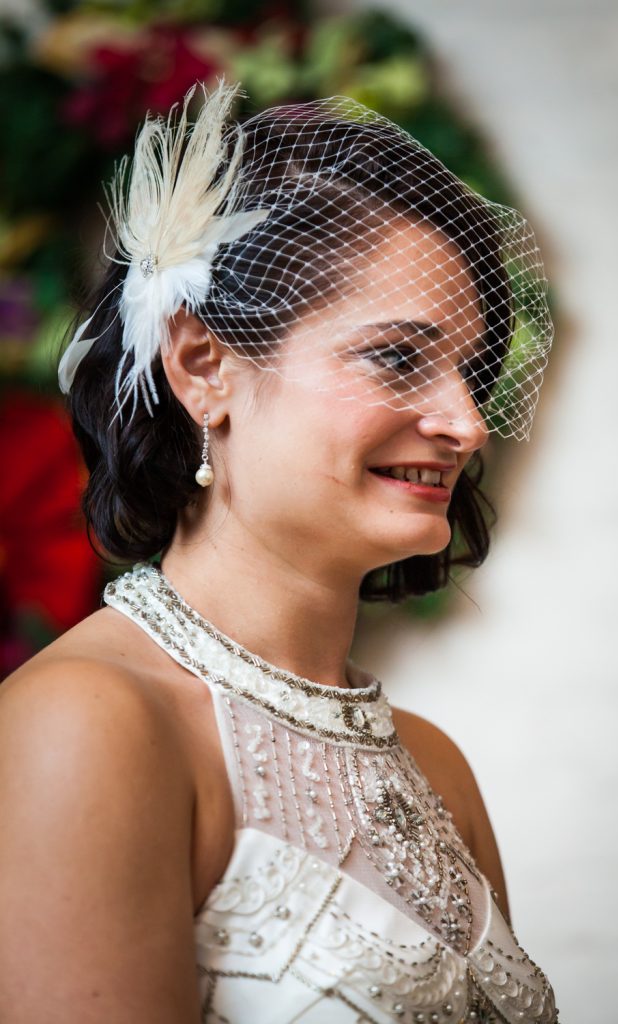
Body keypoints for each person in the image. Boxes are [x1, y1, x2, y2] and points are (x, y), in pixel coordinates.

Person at [0, 81, 558, 1022]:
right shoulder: (90, 724)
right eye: (398, 358)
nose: (465, 422)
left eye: (473, 372)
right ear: (203, 365)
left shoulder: (437, 767)